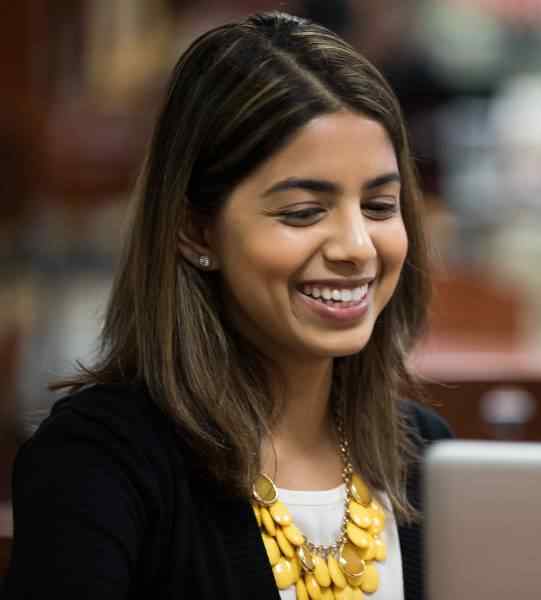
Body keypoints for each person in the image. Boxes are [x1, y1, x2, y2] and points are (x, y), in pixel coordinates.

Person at [3, 11, 452, 600]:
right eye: (302, 212)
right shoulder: (100, 462)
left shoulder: (429, 455)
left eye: (379, 206)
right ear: (195, 230)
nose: (356, 248)